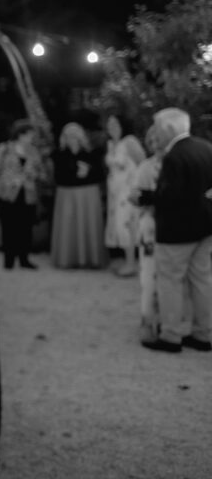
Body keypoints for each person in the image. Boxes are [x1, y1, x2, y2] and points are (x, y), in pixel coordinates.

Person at [138, 108, 212, 353]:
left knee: (170, 281)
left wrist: (145, 196)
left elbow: (169, 197)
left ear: (169, 129)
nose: (156, 133)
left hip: (177, 231)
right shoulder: (205, 148)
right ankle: (203, 334)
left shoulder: (173, 157)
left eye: (158, 127)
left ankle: (171, 336)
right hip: (204, 227)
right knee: (202, 280)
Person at [0, 119, 46, 269]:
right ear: (21, 134)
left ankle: (24, 259)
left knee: (25, 227)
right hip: (6, 195)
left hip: (27, 194)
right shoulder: (4, 148)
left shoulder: (33, 151)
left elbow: (42, 172)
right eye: (30, 134)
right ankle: (9, 260)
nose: (33, 137)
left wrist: (35, 174)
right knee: (8, 227)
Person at [50, 122, 107, 269]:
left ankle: (91, 258)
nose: (72, 139)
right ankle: (67, 259)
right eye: (68, 136)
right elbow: (58, 178)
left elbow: (100, 175)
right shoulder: (58, 155)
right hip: (67, 195)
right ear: (64, 138)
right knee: (68, 226)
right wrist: (76, 174)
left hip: (88, 195)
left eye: (75, 136)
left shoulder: (92, 154)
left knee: (89, 223)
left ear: (81, 137)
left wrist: (88, 172)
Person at [131, 125, 163, 342]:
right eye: (153, 140)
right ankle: (148, 320)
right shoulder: (145, 167)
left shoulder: (179, 164)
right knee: (149, 276)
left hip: (177, 228)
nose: (157, 144)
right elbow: (133, 197)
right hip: (151, 226)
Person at [104, 114, 146, 277]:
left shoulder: (130, 141)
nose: (111, 126)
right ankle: (128, 260)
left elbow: (143, 163)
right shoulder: (110, 144)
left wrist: (136, 185)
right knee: (118, 225)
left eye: (115, 123)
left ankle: (131, 263)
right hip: (115, 191)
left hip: (129, 190)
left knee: (128, 224)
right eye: (109, 123)